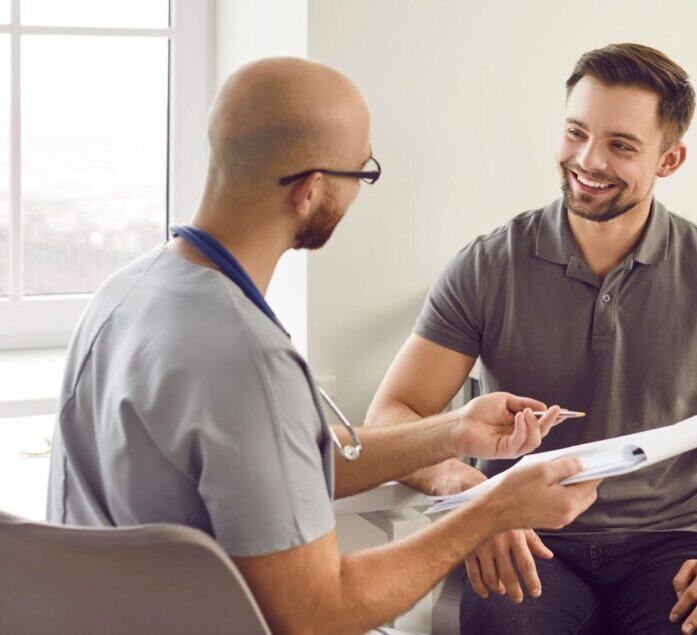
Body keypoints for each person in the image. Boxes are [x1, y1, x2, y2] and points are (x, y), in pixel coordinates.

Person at [46, 57, 601, 634]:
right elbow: (316, 614)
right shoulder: (247, 360)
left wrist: (453, 430)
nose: (361, 191)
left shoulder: (126, 293)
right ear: (310, 191)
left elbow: (276, 463)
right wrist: (492, 510)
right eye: (362, 173)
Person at [366, 43, 697, 635]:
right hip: (522, 532)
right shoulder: (487, 266)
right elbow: (392, 415)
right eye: (576, 132)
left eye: (621, 145)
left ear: (669, 159)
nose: (587, 160)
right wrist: (472, 493)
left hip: (671, 543)